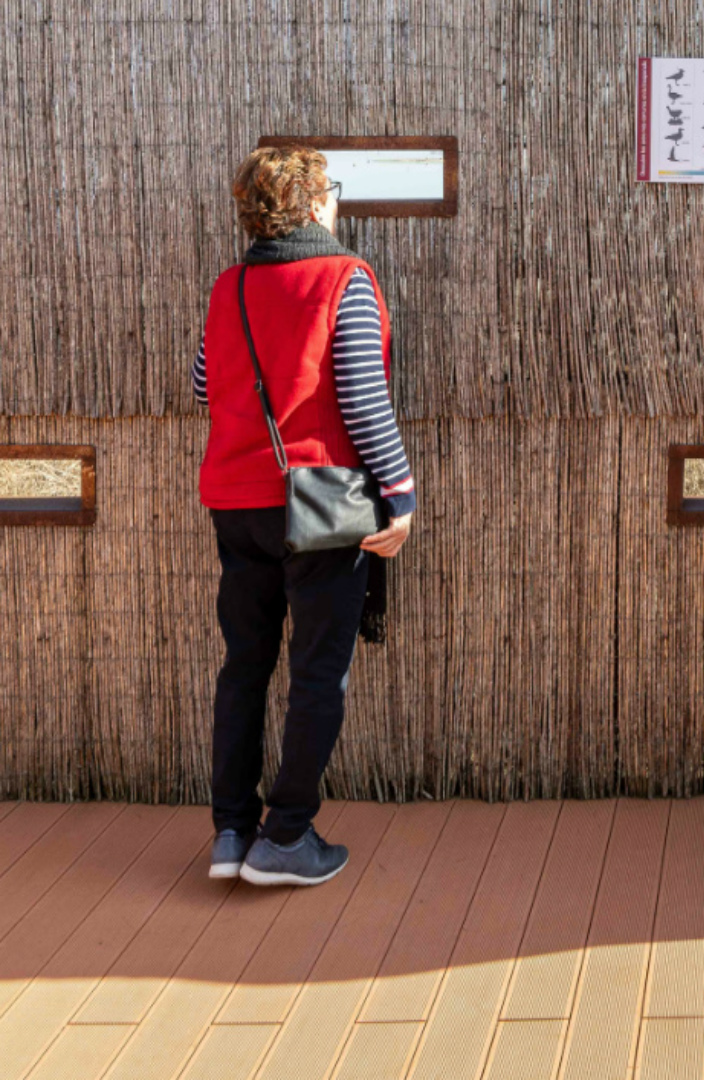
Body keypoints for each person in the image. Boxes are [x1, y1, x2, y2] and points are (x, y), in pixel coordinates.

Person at [194, 146, 416, 886]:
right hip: (320, 501)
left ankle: (231, 832)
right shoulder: (343, 278)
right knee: (319, 672)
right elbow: (362, 396)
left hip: (236, 500)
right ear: (317, 203)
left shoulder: (228, 286)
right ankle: (286, 837)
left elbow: (205, 385)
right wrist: (402, 493)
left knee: (245, 664)